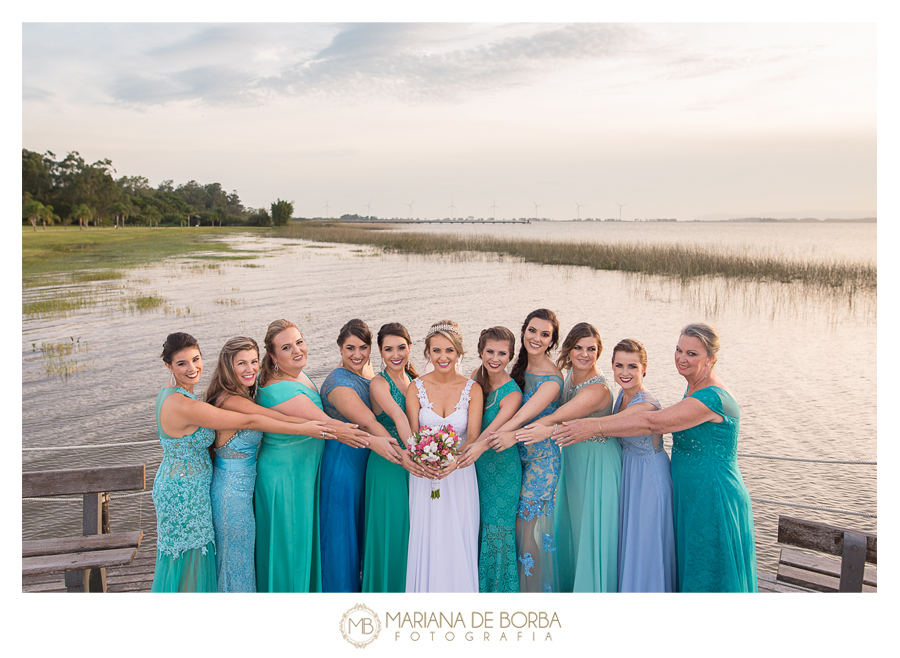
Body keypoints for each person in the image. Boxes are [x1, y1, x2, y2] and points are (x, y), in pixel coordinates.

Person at [554, 323, 758, 592]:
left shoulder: (711, 398)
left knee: (711, 562)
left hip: (713, 491)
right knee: (690, 560)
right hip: (688, 491)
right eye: (679, 350)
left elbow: (653, 423)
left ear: (711, 359)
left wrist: (591, 427)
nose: (682, 358)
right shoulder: (694, 388)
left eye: (692, 354)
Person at [152, 332, 332, 593]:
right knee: (197, 562)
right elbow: (250, 421)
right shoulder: (183, 404)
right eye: (182, 363)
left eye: (196, 359)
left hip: (195, 487)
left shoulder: (174, 393)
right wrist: (307, 427)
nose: (192, 368)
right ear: (168, 366)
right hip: (186, 492)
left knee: (202, 561)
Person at [206, 336, 335, 593]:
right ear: (227, 366)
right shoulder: (229, 400)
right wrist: (305, 427)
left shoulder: (244, 394)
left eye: (254, 361)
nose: (250, 369)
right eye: (241, 363)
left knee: (242, 561)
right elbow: (265, 419)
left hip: (246, 491)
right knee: (235, 564)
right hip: (232, 496)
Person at [254, 319, 370, 593]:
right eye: (286, 347)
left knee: (303, 543)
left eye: (299, 342)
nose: (297, 350)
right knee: (290, 547)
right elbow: (331, 427)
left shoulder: (295, 374)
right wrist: (382, 443)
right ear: (273, 356)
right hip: (286, 478)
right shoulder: (279, 389)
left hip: (304, 472)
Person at [514, 322, 620, 592]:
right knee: (571, 528)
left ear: (599, 351)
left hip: (596, 464)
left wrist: (536, 429)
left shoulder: (598, 389)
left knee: (590, 529)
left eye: (592, 349)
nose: (585, 354)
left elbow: (558, 417)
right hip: (573, 459)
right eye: (578, 348)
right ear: (569, 350)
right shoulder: (571, 375)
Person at [319, 319, 402, 593]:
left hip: (366, 465)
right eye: (350, 348)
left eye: (363, 348)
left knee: (362, 537)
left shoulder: (369, 374)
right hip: (343, 466)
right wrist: (401, 451)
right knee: (340, 539)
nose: (357, 354)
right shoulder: (337, 382)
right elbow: (368, 423)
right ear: (340, 348)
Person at [487, 309, 564, 593]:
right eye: (533, 331)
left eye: (545, 334)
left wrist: (506, 436)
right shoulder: (515, 368)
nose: (537, 338)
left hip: (542, 462)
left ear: (552, 341)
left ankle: (531, 593)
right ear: (523, 332)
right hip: (514, 458)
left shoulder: (553, 379)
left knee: (526, 528)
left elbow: (521, 417)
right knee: (509, 523)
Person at [404, 320, 483, 592]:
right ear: (427, 353)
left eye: (449, 351)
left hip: (460, 473)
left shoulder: (473, 389)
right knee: (428, 537)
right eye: (436, 351)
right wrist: (423, 459)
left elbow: (472, 436)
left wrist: (453, 461)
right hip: (425, 475)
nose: (443, 357)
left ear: (458, 353)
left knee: (458, 536)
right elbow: (413, 435)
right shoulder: (416, 388)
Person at [363, 322, 435, 592]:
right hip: (390, 462)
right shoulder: (378, 383)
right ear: (380, 353)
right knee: (392, 529)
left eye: (401, 347)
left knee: (414, 530)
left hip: (413, 461)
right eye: (388, 349)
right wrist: (417, 453)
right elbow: (399, 415)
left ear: (410, 347)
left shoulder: (415, 381)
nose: (396, 354)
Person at [456, 326, 523, 593]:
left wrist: (466, 452)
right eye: (490, 352)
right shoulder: (474, 378)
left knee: (497, 530)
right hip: (474, 465)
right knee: (475, 524)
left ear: (511, 356)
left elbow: (489, 434)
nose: (495, 359)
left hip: (501, 468)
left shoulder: (513, 394)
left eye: (502, 354)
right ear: (480, 352)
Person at [608, 339, 676, 592]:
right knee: (632, 539)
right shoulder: (621, 396)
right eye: (619, 366)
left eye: (632, 367)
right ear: (612, 367)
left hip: (649, 475)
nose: (625, 373)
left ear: (644, 369)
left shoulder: (646, 403)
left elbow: (609, 424)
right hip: (629, 473)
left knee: (647, 541)